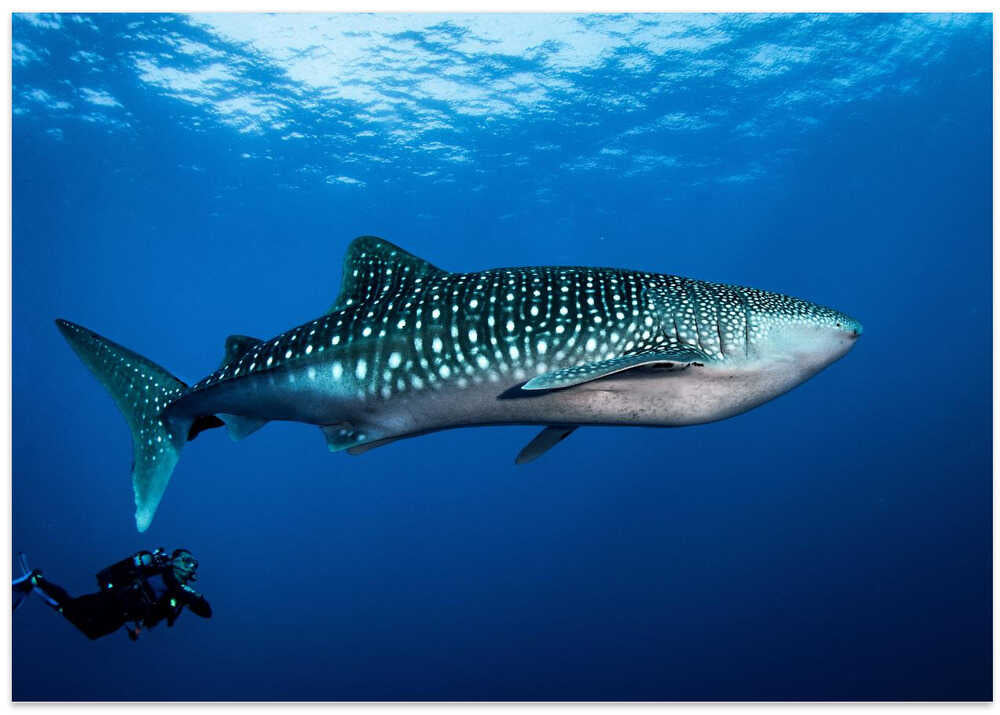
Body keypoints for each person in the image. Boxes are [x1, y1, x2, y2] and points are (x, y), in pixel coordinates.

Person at [12, 548, 211, 641]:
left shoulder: (178, 591)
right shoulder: (168, 575)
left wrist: (138, 627)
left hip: (124, 616)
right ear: (175, 560)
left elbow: (205, 612)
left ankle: (38, 585)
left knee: (91, 631)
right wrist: (192, 595)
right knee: (72, 608)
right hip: (113, 600)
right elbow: (174, 586)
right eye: (187, 561)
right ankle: (36, 581)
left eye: (194, 564)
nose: (191, 567)